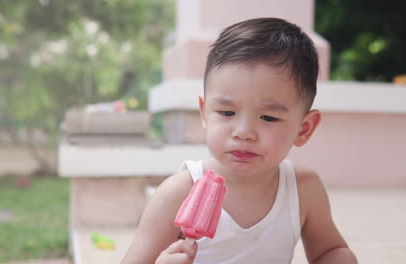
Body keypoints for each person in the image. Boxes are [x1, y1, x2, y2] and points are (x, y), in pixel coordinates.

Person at [121, 17, 357, 264]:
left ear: (304, 128)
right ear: (205, 113)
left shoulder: (302, 189)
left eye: (268, 117)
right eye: (226, 113)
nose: (244, 132)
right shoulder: (178, 193)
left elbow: (330, 251)